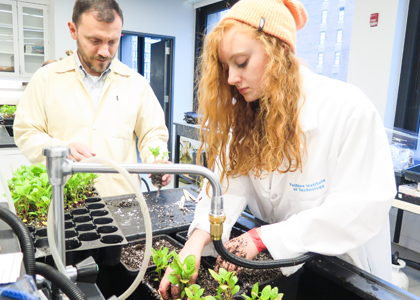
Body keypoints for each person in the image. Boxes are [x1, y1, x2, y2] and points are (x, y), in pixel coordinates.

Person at [159, 0, 396, 298]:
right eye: (226, 67)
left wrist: (262, 237)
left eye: (242, 62)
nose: (231, 78)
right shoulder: (249, 116)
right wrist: (194, 243)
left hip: (345, 274)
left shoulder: (347, 109)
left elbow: (359, 208)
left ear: (279, 49)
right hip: (291, 271)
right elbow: (227, 187)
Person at [14, 0, 171, 197]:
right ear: (73, 30)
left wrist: (157, 159)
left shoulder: (136, 83)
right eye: (95, 41)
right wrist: (60, 149)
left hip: (122, 201)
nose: (105, 52)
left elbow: (152, 134)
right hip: (65, 201)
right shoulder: (45, 79)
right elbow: (26, 132)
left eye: (113, 41)